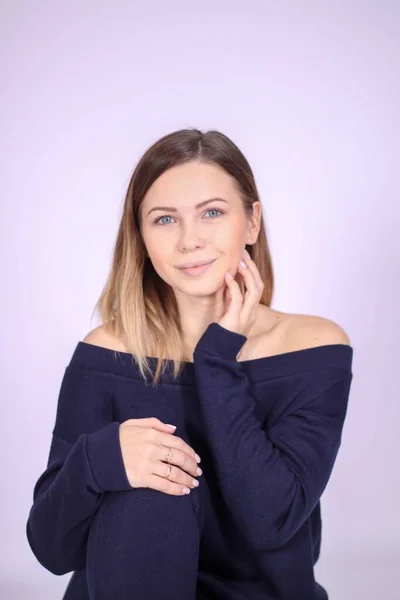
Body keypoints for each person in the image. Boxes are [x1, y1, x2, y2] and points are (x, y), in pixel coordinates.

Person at [26, 128, 354, 600]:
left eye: (213, 213)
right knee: (147, 492)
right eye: (164, 220)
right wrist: (101, 459)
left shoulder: (314, 347)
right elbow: (52, 549)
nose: (189, 240)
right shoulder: (107, 351)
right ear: (140, 236)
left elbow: (272, 520)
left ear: (253, 222)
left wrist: (216, 357)